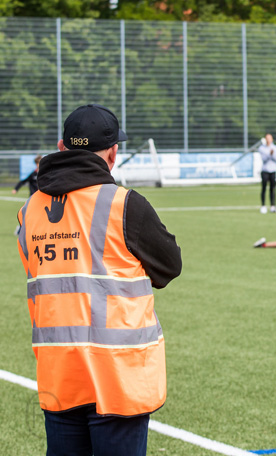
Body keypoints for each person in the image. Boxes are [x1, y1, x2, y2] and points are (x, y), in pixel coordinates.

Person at [16, 104, 182, 456]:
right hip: (118, 377)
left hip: (60, 374)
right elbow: (169, 267)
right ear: (113, 152)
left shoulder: (29, 210)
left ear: (61, 147)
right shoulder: (125, 204)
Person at [258, 133, 276, 213]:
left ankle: (272, 206)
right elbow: (264, 159)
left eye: (270, 138)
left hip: (273, 170)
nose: (268, 140)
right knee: (264, 188)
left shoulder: (275, 148)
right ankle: (263, 206)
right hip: (265, 170)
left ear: (272, 139)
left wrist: (273, 154)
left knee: (272, 189)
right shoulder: (261, 148)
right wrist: (269, 154)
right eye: (267, 138)